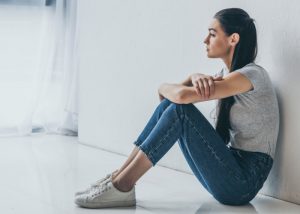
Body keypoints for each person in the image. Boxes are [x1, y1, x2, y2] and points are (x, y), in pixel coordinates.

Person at [74, 8, 279, 208]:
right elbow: (166, 99)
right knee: (170, 107)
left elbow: (180, 96)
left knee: (181, 111)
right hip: (232, 171)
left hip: (242, 182)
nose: (205, 40)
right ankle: (118, 178)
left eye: (212, 34)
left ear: (233, 39)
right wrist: (192, 77)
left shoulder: (252, 75)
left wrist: (175, 83)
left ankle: (122, 186)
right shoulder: (225, 75)